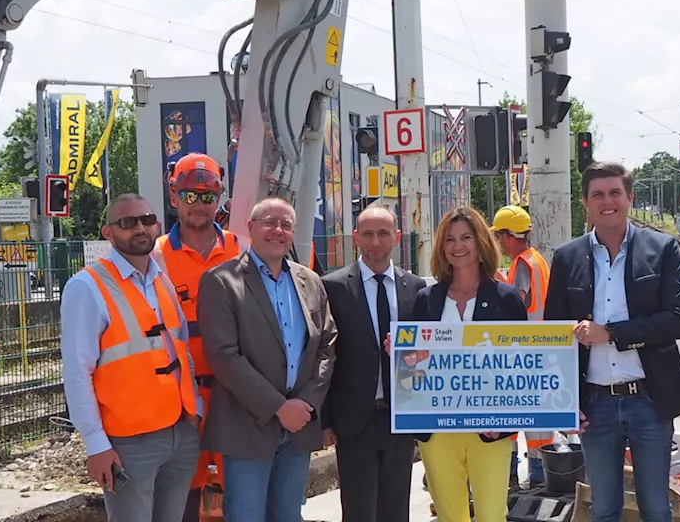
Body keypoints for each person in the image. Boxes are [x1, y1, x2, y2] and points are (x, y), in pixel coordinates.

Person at [544, 161, 680, 522]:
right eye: (598, 194)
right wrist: (564, 402)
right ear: (586, 203)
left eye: (614, 193)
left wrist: (611, 334)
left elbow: (679, 320)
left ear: (629, 198)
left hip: (650, 400)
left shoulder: (662, 249)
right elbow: (554, 334)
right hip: (594, 406)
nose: (607, 201)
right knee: (604, 509)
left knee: (656, 508)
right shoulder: (566, 258)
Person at [60, 194, 202, 522]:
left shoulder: (161, 279)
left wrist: (195, 410)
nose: (140, 228)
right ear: (108, 232)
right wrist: (95, 443)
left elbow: (181, 351)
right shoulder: (87, 287)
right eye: (127, 222)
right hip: (129, 444)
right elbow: (77, 372)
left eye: (147, 219)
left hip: (180, 432)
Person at [196, 197, 337, 522]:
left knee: (287, 516)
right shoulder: (221, 282)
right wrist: (278, 407)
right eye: (269, 223)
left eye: (286, 224)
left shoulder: (310, 282)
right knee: (246, 516)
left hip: (299, 427)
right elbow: (223, 356)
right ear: (250, 228)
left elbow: (327, 345)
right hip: (246, 427)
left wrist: (307, 403)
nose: (278, 230)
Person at [413, 206, 527, 522]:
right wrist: (399, 349)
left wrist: (505, 419)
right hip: (437, 431)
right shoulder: (427, 299)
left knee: (491, 515)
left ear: (480, 243)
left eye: (466, 237)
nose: (458, 246)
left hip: (489, 427)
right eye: (450, 239)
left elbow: (522, 366)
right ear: (441, 247)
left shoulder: (506, 298)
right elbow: (414, 363)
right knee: (450, 516)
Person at [150, 154, 241, 522]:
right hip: (179, 401)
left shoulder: (241, 249)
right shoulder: (154, 256)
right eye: (189, 196)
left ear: (218, 198)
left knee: (242, 493)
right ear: (173, 196)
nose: (198, 205)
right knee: (180, 499)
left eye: (207, 196)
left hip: (234, 395)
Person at [321, 203, 423, 522]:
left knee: (396, 512)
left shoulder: (416, 288)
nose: (375, 242)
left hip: (400, 419)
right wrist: (325, 420)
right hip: (353, 422)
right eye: (367, 234)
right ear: (356, 238)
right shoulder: (333, 287)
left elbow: (427, 354)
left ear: (396, 236)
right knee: (358, 512)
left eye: (382, 234)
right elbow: (324, 356)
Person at [489, 204, 551, 487]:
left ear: (506, 236)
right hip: (537, 349)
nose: (499, 244)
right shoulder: (537, 259)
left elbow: (520, 300)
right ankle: (538, 472)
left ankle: (516, 474)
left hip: (523, 350)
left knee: (512, 412)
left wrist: (498, 285)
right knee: (537, 417)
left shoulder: (523, 263)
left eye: (499, 237)